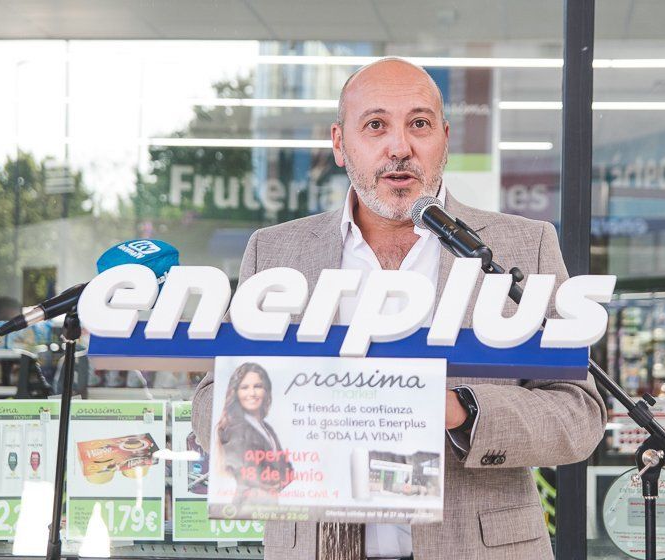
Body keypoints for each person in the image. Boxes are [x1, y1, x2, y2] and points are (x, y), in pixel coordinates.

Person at [192, 57, 607, 560]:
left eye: (419, 124)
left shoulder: (523, 246)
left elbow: (579, 412)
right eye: (375, 125)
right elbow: (213, 397)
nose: (399, 147)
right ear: (340, 144)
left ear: (445, 140)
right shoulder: (276, 252)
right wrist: (300, 412)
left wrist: (462, 410)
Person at [214, 362, 292, 502]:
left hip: (267, 505)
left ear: (266, 390)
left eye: (257, 386)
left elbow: (288, 470)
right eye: (245, 387)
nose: (252, 393)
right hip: (246, 507)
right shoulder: (233, 428)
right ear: (236, 392)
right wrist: (272, 481)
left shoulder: (267, 428)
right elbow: (249, 474)